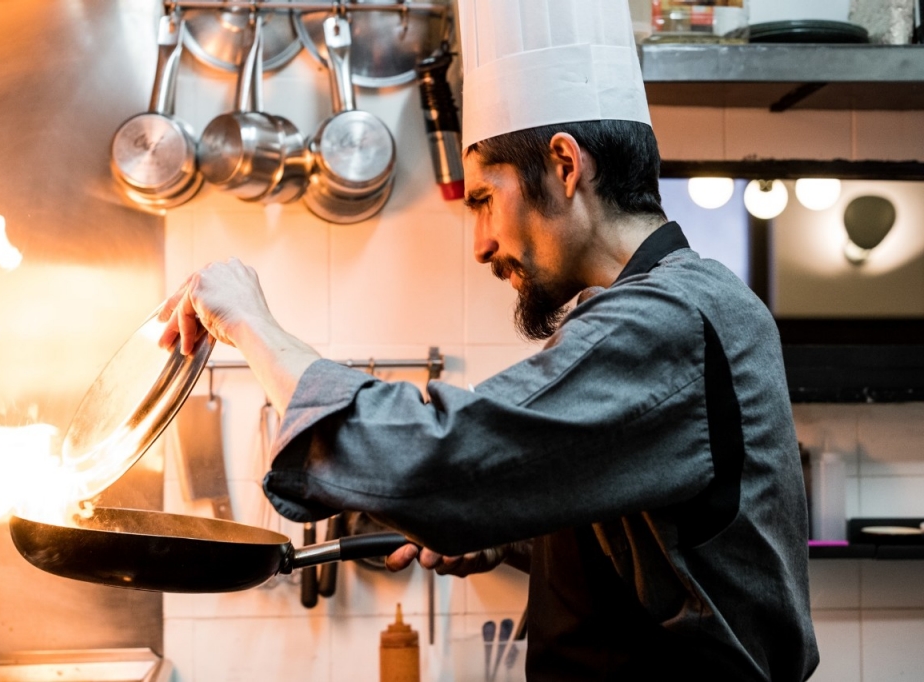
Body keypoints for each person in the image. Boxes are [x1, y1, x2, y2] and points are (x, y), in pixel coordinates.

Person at [159, 2, 819, 679]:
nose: (480, 245)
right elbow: (661, 541)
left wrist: (252, 324)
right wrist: (508, 539)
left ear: (564, 165)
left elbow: (434, 456)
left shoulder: (665, 322)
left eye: (482, 200)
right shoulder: (686, 303)